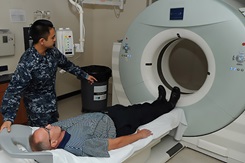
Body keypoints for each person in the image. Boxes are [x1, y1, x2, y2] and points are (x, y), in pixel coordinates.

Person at [0, 19, 97, 132]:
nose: (55, 39)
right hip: (37, 111)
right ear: (42, 40)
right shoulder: (28, 61)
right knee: (41, 138)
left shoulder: (52, 52)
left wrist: (85, 75)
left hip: (52, 105)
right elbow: (14, 91)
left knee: (55, 134)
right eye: (52, 37)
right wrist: (8, 118)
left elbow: (67, 64)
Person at [29, 85, 181, 157]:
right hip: (117, 125)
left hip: (105, 114)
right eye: (47, 130)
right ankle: (169, 104)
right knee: (143, 114)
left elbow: (46, 136)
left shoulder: (58, 129)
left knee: (136, 107)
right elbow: (114, 144)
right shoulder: (81, 145)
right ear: (54, 143)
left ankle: (158, 101)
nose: (49, 125)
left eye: (45, 126)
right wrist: (138, 136)